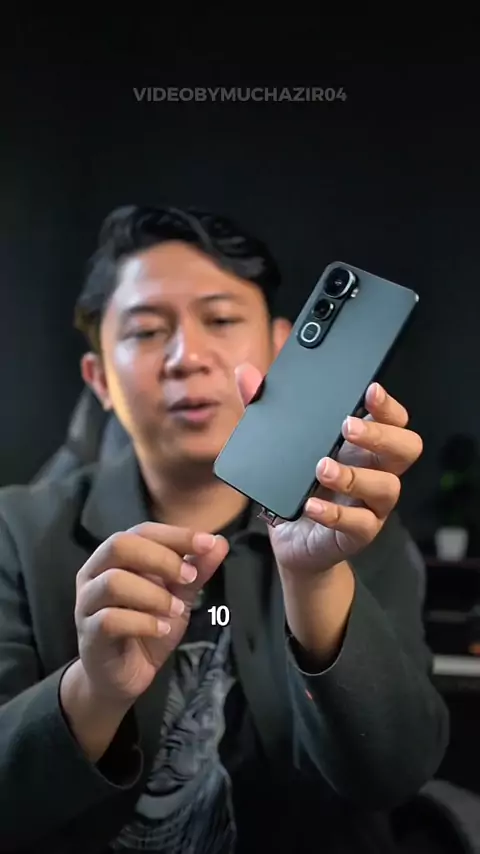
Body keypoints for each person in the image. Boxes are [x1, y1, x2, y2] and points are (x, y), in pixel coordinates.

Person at [0, 205, 449, 854]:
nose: (187, 357)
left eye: (221, 320)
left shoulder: (352, 524)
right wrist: (92, 693)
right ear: (99, 379)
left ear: (281, 347)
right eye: (147, 330)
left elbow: (395, 774)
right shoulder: (16, 531)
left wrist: (315, 580)